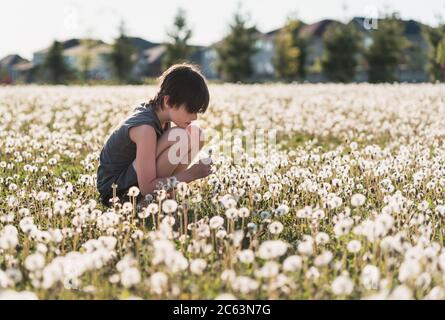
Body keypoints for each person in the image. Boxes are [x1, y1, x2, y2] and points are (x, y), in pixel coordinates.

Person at [96, 63, 212, 207]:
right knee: (179, 136)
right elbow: (147, 187)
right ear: (168, 101)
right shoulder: (145, 129)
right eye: (190, 110)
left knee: (196, 134)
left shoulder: (158, 112)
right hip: (117, 193)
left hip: (135, 179)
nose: (195, 117)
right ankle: (145, 203)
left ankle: (168, 196)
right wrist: (190, 175)